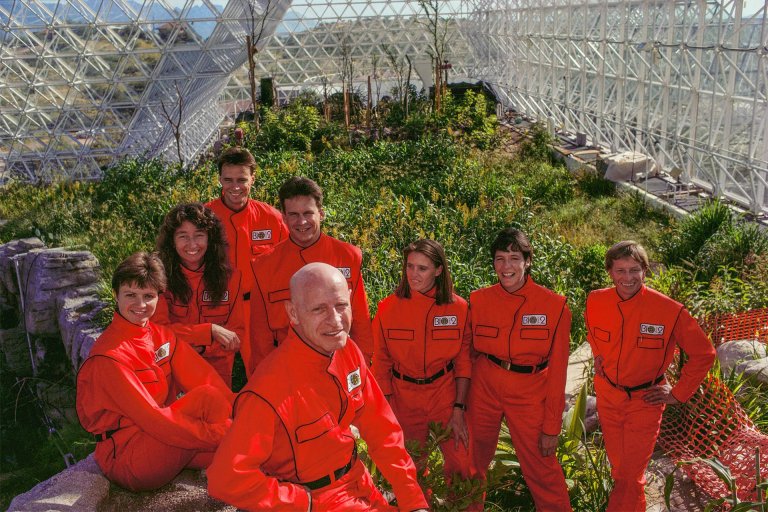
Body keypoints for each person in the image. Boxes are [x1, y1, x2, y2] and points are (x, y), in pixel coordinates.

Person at [207, 263, 429, 511]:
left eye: (341, 305)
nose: (335, 321)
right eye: (319, 309)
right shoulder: (267, 391)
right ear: (293, 313)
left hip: (359, 483)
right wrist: (300, 501)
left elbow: (381, 427)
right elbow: (225, 478)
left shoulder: (347, 350)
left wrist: (411, 499)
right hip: (319, 500)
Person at [76, 252, 234, 491]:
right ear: (115, 294)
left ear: (159, 297)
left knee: (214, 403)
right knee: (232, 443)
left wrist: (244, 415)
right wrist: (221, 433)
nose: (140, 305)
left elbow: (208, 381)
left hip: (163, 441)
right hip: (129, 457)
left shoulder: (161, 335)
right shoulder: (108, 357)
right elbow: (156, 421)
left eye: (148, 296)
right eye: (131, 295)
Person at [585, 240, 715, 512]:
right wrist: (598, 353)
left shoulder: (669, 310)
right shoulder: (596, 300)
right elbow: (594, 331)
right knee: (620, 470)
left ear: (645, 270)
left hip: (646, 401)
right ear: (610, 272)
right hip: (608, 396)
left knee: (630, 474)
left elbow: (704, 353)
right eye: (620, 270)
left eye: (634, 270)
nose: (628, 278)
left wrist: (677, 393)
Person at [466, 228, 572, 511]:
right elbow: (467, 355)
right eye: (500, 259)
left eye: (514, 258)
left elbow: (559, 373)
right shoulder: (478, 300)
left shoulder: (555, 306)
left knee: (542, 466)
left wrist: (552, 426)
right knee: (470, 461)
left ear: (528, 261)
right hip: (484, 387)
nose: (506, 266)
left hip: (530, 392)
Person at [246, 177, 374, 375]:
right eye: (294, 215)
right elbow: (260, 335)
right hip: (288, 368)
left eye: (308, 213)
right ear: (284, 218)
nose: (302, 222)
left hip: (338, 364)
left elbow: (361, 322)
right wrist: (268, 376)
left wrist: (361, 369)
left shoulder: (347, 256)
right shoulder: (264, 266)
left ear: (321, 214)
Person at [372, 239, 472, 482]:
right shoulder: (387, 308)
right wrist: (387, 408)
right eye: (409, 266)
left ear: (438, 270)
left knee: (462, 463)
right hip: (403, 398)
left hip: (444, 395)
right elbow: (381, 362)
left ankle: (462, 503)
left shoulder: (459, 308)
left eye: (422, 268)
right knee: (410, 469)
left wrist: (459, 408)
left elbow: (463, 361)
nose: (413, 274)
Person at [206, 147, 288, 366]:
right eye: (228, 180)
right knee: (213, 373)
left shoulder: (272, 218)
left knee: (263, 370)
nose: (235, 187)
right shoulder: (204, 218)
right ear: (219, 179)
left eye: (242, 180)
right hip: (216, 306)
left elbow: (290, 264)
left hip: (257, 310)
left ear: (253, 178)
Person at [152, 203, 245, 388]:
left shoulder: (232, 278)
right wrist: (209, 331)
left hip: (217, 376)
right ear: (172, 241)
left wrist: (201, 348)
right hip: (174, 373)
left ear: (211, 238)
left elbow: (236, 337)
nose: (192, 244)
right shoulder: (158, 278)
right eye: (183, 236)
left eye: (199, 235)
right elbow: (158, 331)